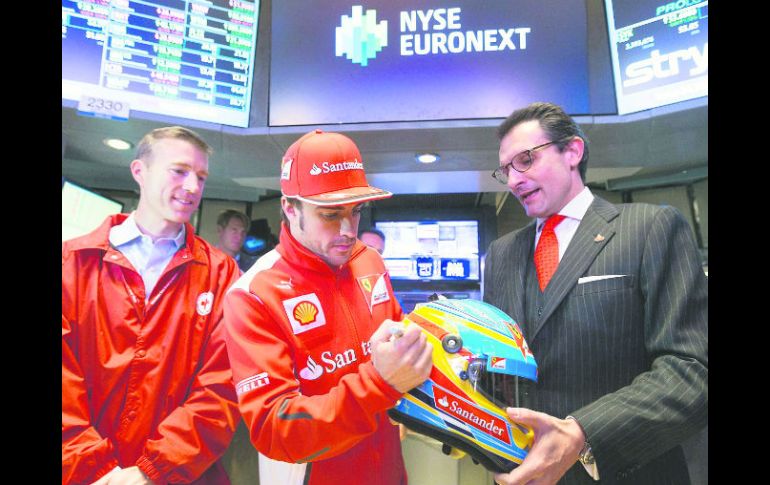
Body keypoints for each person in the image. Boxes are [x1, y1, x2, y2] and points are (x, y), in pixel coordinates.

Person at [483, 102, 708, 485]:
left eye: (526, 160)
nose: (514, 179)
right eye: (506, 170)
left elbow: (690, 370)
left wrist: (581, 432)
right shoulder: (502, 254)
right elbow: (495, 365)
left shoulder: (650, 229)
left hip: (627, 472)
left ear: (572, 151)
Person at [222, 129, 433, 485]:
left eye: (356, 211)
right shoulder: (253, 294)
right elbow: (274, 429)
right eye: (331, 214)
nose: (348, 230)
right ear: (290, 208)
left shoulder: (370, 261)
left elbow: (401, 346)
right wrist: (379, 385)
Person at [62, 126, 241, 485]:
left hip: (177, 476)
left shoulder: (221, 274)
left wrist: (151, 472)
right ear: (139, 172)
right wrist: (94, 469)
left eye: (201, 176)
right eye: (179, 171)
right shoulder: (73, 262)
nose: (192, 187)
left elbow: (221, 388)